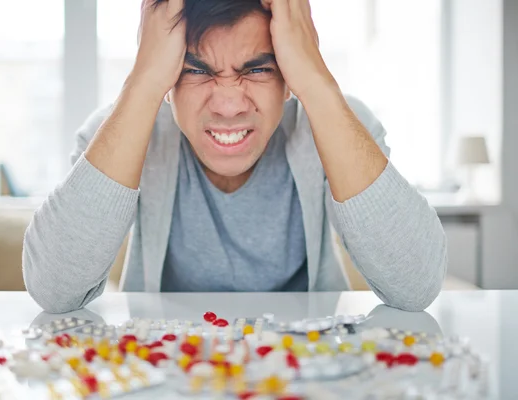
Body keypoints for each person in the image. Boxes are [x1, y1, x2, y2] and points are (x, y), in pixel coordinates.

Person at [22, 0, 448, 314]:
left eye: (258, 69)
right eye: (197, 70)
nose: (228, 106)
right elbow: (55, 292)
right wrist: (143, 82)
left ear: (290, 78)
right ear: (167, 77)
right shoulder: (125, 129)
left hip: (309, 369)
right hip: (165, 369)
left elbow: (415, 287)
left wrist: (317, 82)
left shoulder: (333, 123)